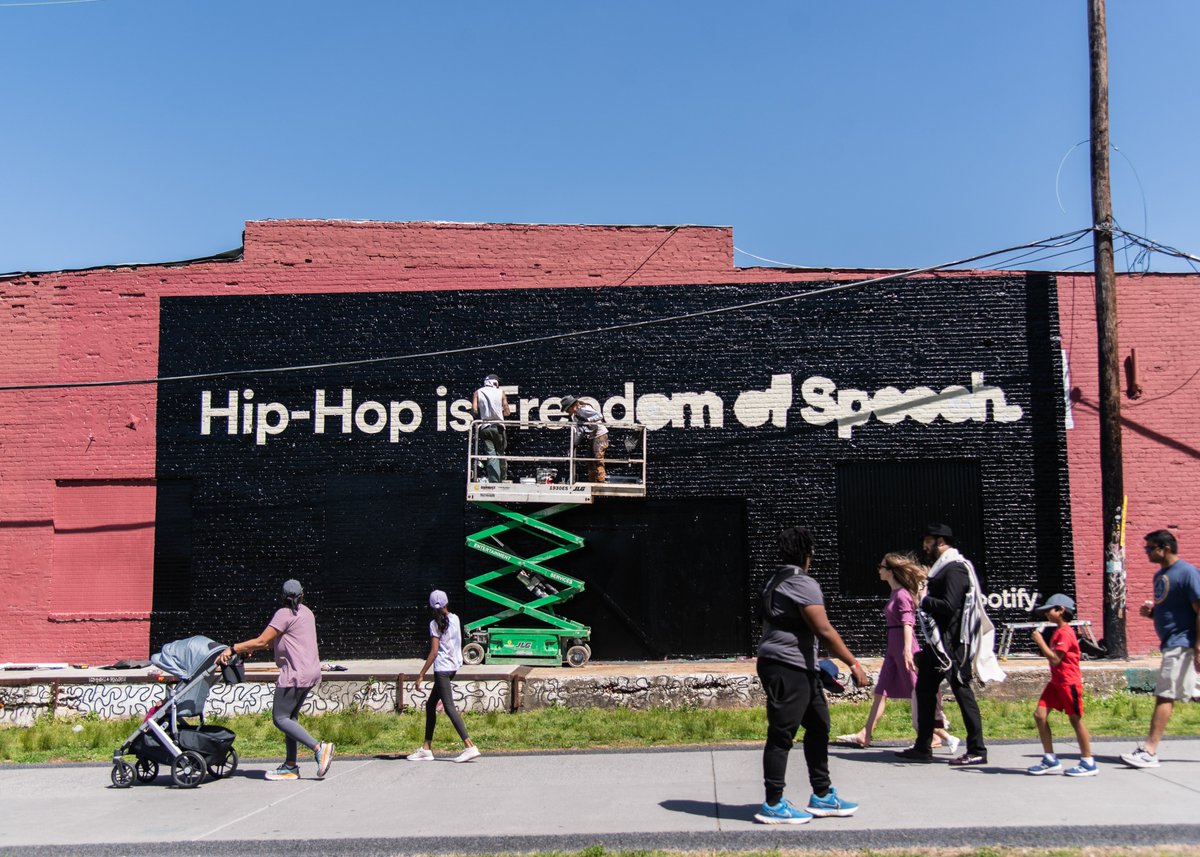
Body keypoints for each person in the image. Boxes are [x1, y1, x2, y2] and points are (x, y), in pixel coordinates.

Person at [755, 526, 868, 825]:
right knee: (782, 735)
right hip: (786, 666)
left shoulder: (775, 580)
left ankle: (822, 795)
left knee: (819, 726)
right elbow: (824, 629)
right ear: (808, 554)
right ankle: (774, 803)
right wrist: (853, 664)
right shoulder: (802, 583)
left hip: (798, 666)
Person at [897, 523, 1003, 766]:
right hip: (938, 645)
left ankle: (977, 749)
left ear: (941, 541)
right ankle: (923, 746)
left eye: (928, 541)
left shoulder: (955, 569)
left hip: (954, 645)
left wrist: (923, 601)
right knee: (924, 691)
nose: (924, 546)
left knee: (962, 692)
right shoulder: (941, 569)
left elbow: (949, 604)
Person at [837, 552, 959, 754]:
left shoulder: (902, 594)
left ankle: (938, 735)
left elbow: (908, 623)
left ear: (891, 571)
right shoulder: (895, 593)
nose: (878, 570)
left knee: (917, 694)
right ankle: (866, 733)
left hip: (903, 647)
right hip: (893, 648)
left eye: (882, 566)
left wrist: (906, 650)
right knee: (880, 691)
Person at [218, 579, 334, 781]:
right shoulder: (306, 613)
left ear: (282, 597)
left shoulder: (283, 614)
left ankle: (319, 748)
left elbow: (263, 640)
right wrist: (250, 649)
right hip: (311, 672)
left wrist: (234, 648)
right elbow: (279, 640)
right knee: (291, 719)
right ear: (302, 595)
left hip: (294, 674)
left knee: (280, 718)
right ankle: (290, 766)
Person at [1120, 530, 1200, 769]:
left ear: (1164, 547)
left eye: (1150, 548)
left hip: (1183, 644)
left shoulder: (1187, 573)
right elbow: (1176, 611)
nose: (1146, 552)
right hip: (1172, 644)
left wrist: (1198, 647)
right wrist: (1152, 613)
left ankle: (1149, 751)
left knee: (1164, 695)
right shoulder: (1161, 575)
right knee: (1192, 694)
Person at [1026, 593, 1097, 777]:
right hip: (1056, 682)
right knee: (1039, 715)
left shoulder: (1066, 633)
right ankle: (1049, 759)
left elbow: (1056, 659)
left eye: (1049, 610)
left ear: (1061, 610)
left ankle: (1088, 762)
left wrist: (1040, 642)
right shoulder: (1058, 631)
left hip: (1068, 682)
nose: (1046, 615)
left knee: (1075, 719)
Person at [407, 590, 481, 763]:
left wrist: (421, 675)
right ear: (447, 602)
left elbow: (433, 653)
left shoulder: (434, 624)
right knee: (430, 704)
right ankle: (426, 748)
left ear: (432, 607)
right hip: (454, 667)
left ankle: (470, 746)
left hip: (442, 670)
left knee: (449, 708)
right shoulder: (455, 619)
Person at [472, 373, 511, 483]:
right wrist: (501, 412)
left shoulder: (477, 393)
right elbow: (507, 412)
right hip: (498, 427)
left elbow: (474, 410)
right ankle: (503, 478)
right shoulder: (501, 393)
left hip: (485, 427)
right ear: (496, 383)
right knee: (500, 453)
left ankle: (494, 480)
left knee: (491, 454)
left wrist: (482, 414)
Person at [561, 394, 608, 483]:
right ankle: (592, 479)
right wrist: (575, 444)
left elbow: (599, 415)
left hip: (600, 434)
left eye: (567, 409)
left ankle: (601, 480)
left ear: (573, 406)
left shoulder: (584, 409)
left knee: (598, 456)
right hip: (592, 435)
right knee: (589, 458)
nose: (567, 412)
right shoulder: (575, 416)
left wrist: (588, 421)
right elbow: (580, 430)